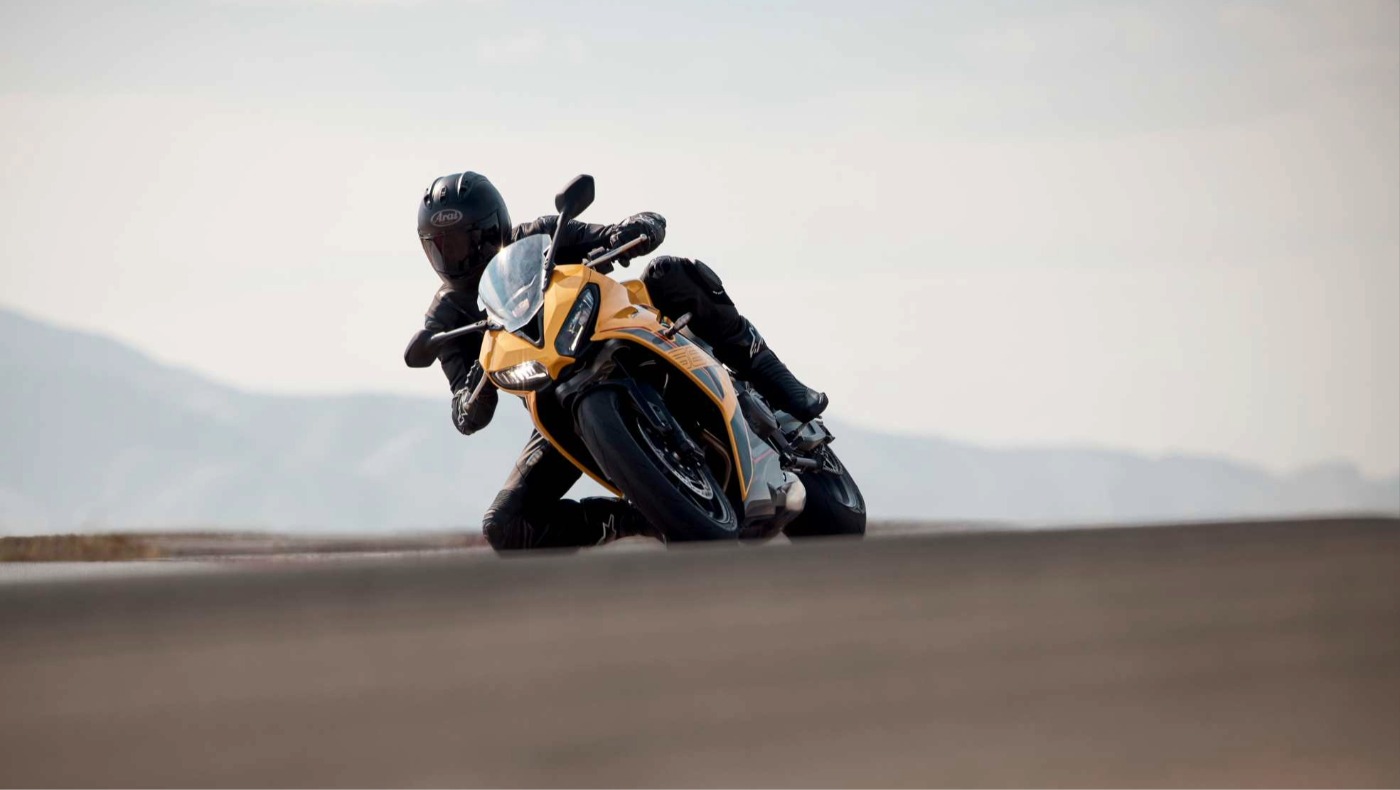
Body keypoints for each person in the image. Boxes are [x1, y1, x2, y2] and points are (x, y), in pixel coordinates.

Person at [416, 171, 827, 551]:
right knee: (504, 527)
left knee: (669, 273)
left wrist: (631, 229)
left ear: (492, 229)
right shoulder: (445, 319)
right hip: (554, 398)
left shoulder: (540, 237)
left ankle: (776, 380)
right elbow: (464, 411)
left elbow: (601, 235)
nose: (454, 256)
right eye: (440, 246)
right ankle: (639, 515)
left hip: (611, 333)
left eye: (462, 241)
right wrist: (475, 388)